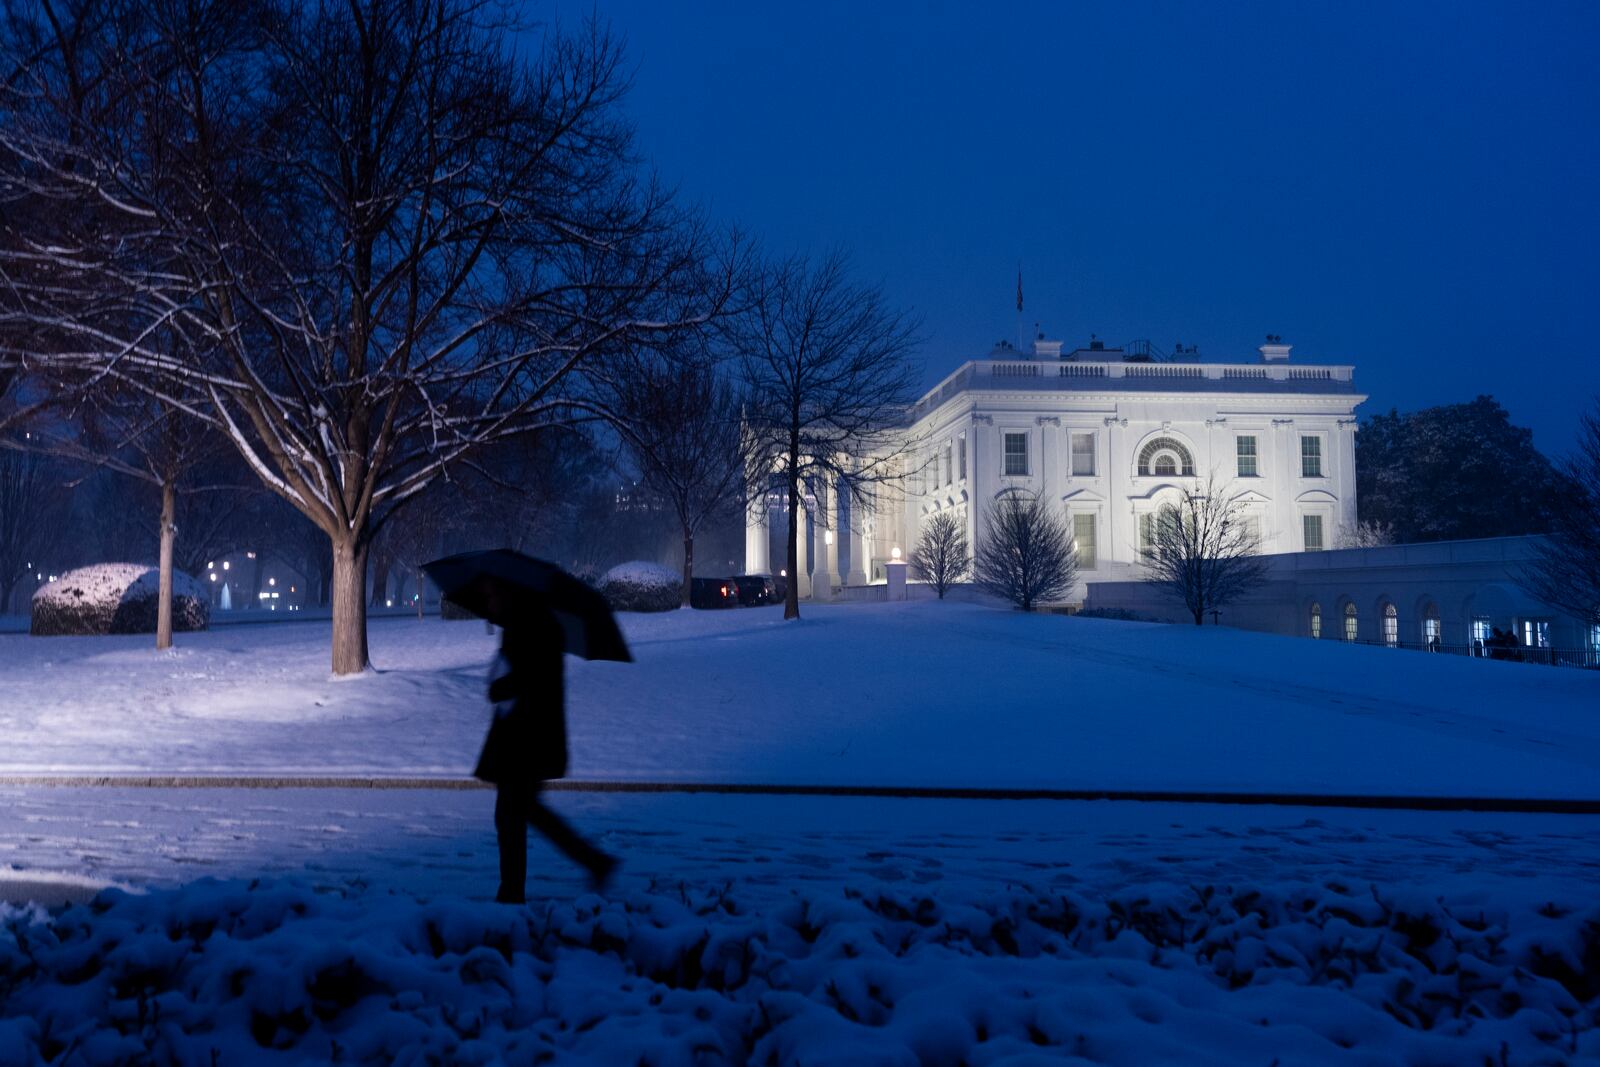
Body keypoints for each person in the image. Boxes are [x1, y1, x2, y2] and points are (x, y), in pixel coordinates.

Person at [473, 597, 617, 903]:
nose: (488, 599)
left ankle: (513, 894)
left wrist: (499, 687)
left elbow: (531, 677)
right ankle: (590, 863)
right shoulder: (531, 623)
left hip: (525, 739)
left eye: (492, 591)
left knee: (513, 815)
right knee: (522, 813)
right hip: (528, 738)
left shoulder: (528, 626)